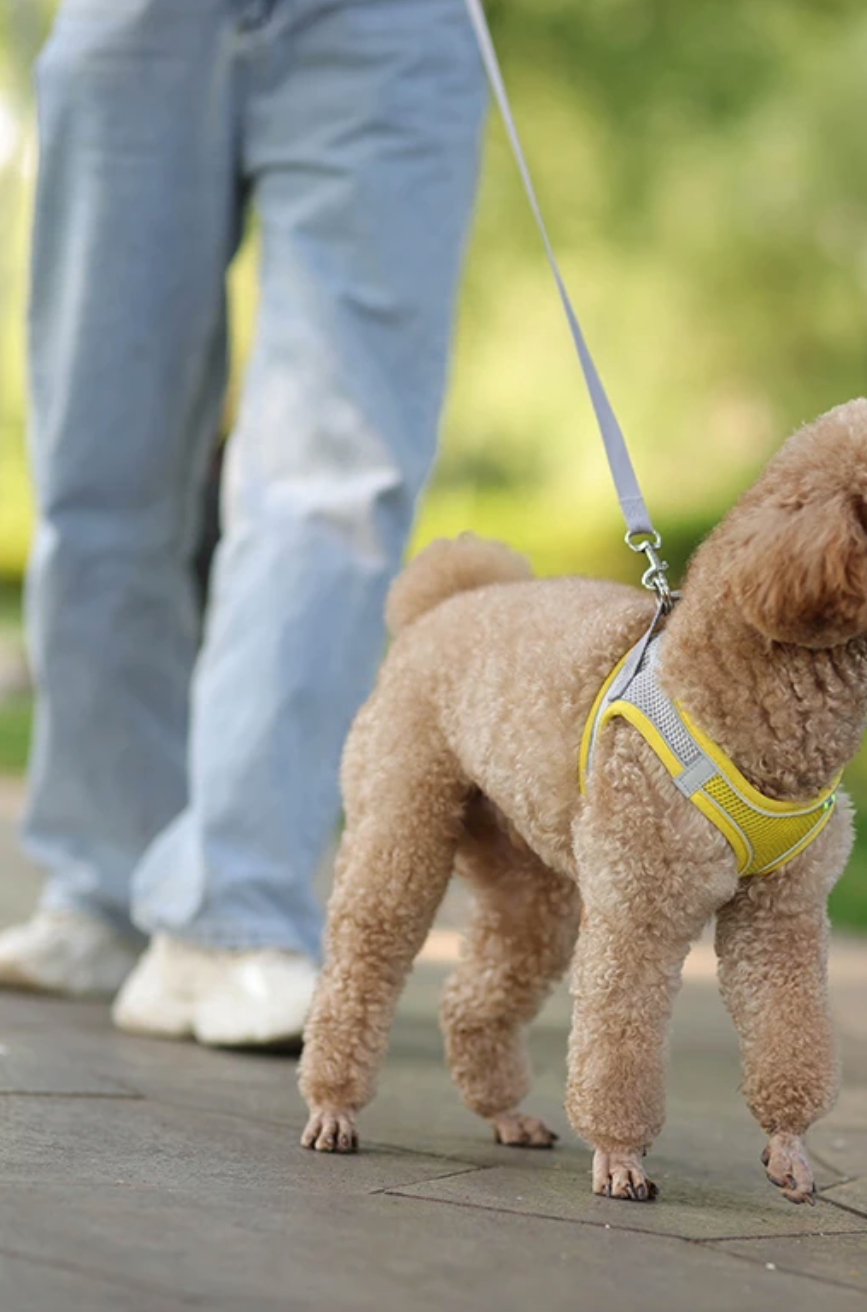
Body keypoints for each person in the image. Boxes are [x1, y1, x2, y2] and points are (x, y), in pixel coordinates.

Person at [0, 0, 486, 1048]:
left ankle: (234, 904)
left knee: (337, 468)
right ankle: (103, 885)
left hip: (392, 28)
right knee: (101, 460)